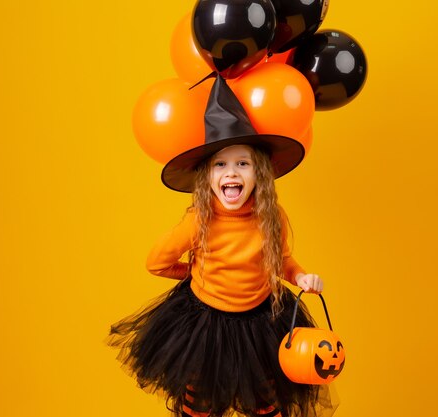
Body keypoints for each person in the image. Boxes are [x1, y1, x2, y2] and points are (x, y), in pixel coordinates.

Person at [107, 75, 336, 417]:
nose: (232, 173)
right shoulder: (200, 219)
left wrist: (301, 277)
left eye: (242, 163)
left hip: (261, 321)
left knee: (266, 401)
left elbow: (282, 260)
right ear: (207, 176)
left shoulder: (272, 215)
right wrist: (195, 273)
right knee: (199, 401)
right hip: (207, 323)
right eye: (220, 164)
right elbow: (156, 262)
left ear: (259, 172)